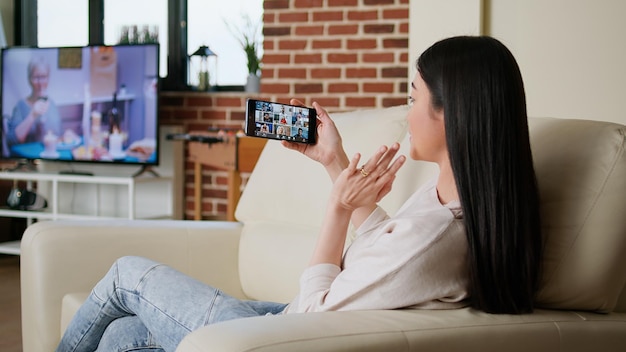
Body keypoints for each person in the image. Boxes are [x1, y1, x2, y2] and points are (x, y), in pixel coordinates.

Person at [56, 35, 542, 351]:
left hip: (286, 335)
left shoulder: (434, 238)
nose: (405, 107)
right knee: (122, 335)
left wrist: (337, 208)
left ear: (452, 114)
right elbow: (390, 250)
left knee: (127, 275)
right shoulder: (455, 209)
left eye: (413, 96)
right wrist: (333, 159)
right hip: (292, 319)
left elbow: (309, 322)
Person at [6, 57, 62, 147]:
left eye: (44, 77)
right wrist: (32, 115)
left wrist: (68, 134)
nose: (40, 83)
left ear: (48, 78)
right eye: (36, 77)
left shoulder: (52, 105)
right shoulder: (20, 106)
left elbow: (58, 137)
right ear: (29, 79)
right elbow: (12, 141)